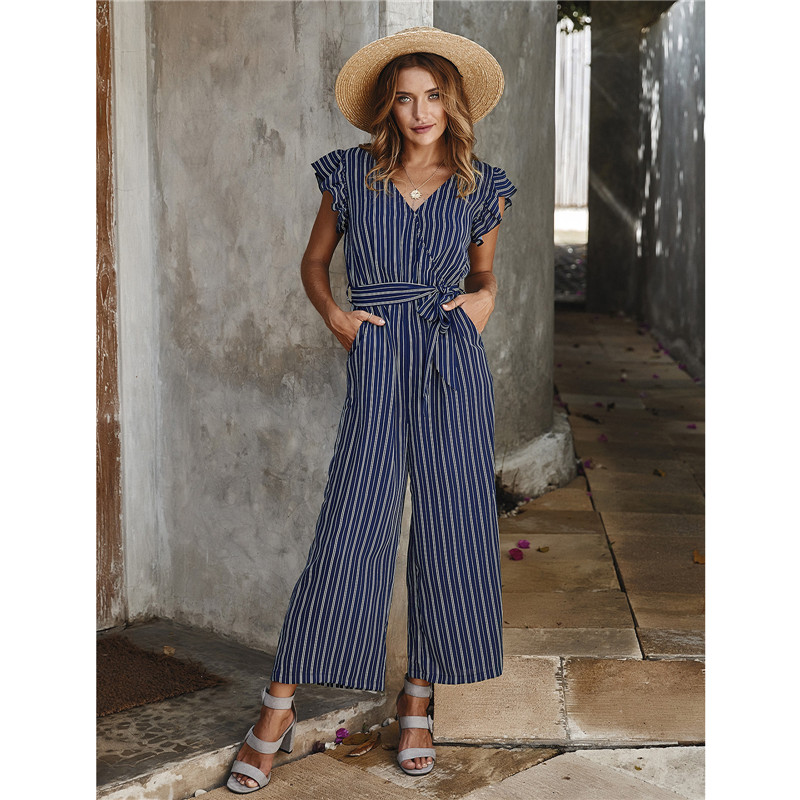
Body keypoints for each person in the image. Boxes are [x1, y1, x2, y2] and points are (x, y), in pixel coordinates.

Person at [227, 26, 517, 793]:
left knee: (451, 525)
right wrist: (337, 318)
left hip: (452, 357)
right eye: (405, 97)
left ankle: (418, 699)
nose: (420, 111)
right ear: (388, 106)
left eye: (433, 96)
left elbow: (485, 277)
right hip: (379, 351)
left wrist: (482, 304)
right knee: (352, 520)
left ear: (451, 103)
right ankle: (278, 707)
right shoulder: (352, 175)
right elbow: (315, 262)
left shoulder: (481, 186)